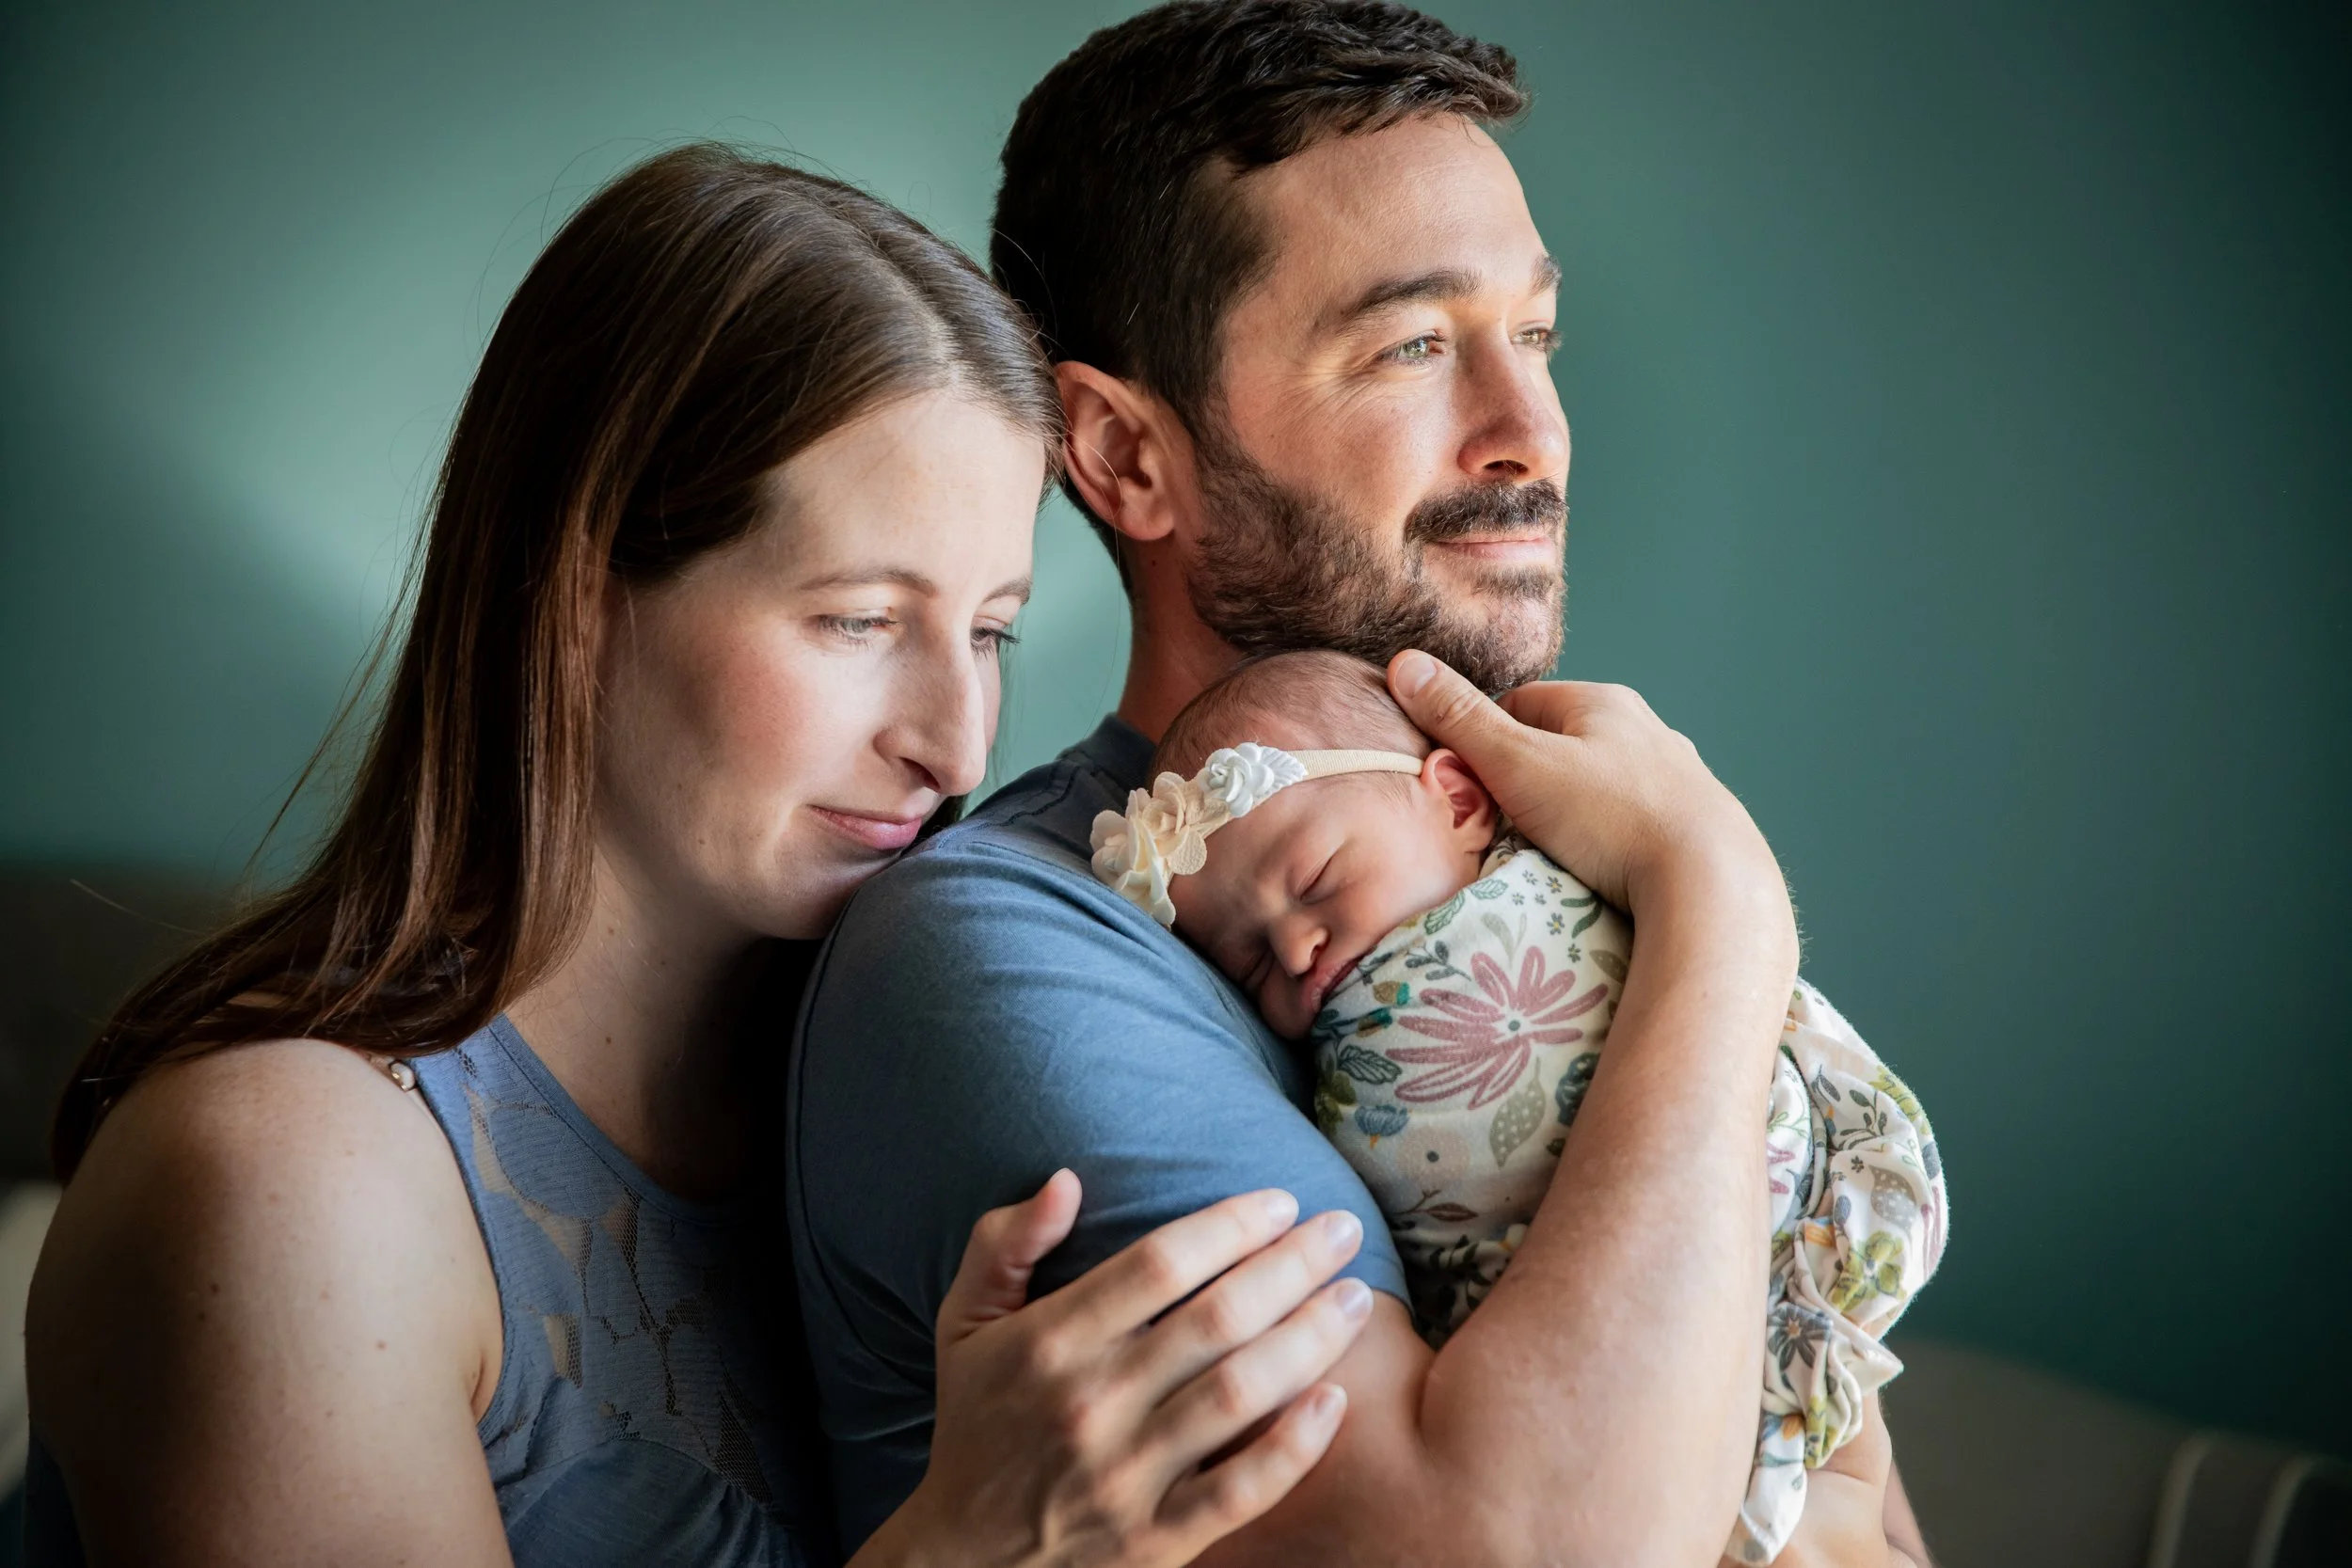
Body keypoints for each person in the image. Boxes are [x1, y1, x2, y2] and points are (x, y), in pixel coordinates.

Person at [24, 145, 1375, 1568]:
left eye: (989, 632)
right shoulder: (284, 1185)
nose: (956, 747)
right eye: (858, 619)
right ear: (578, 589)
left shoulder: (904, 1089)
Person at [787, 5, 1935, 1565]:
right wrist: (1720, 901)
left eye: (1534, 335)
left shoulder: (1550, 855)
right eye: (1411, 344)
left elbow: (1858, 1515)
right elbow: (1513, 1551)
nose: (1530, 435)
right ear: (1125, 456)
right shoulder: (1004, 951)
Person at [1104, 649, 1950, 1564]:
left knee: (1842, 1464)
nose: (1298, 946)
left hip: (1757, 1213)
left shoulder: (1559, 867)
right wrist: (1711, 875)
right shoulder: (1086, 963)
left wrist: (1697, 874)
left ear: (1462, 802)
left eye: (1316, 881)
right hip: (1576, 1339)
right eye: (1250, 963)